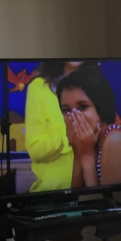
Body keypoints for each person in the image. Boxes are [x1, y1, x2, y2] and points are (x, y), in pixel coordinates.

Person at [56, 67, 121, 187]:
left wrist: (87, 155)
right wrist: (77, 151)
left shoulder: (114, 140)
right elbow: (75, 197)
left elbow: (101, 201)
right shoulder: (89, 141)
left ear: (100, 106)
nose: (74, 117)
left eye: (82, 107)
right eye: (66, 110)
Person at [24, 61, 93, 192]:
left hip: (92, 194)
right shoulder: (39, 87)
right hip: (53, 196)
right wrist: (68, 138)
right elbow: (35, 151)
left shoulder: (98, 85)